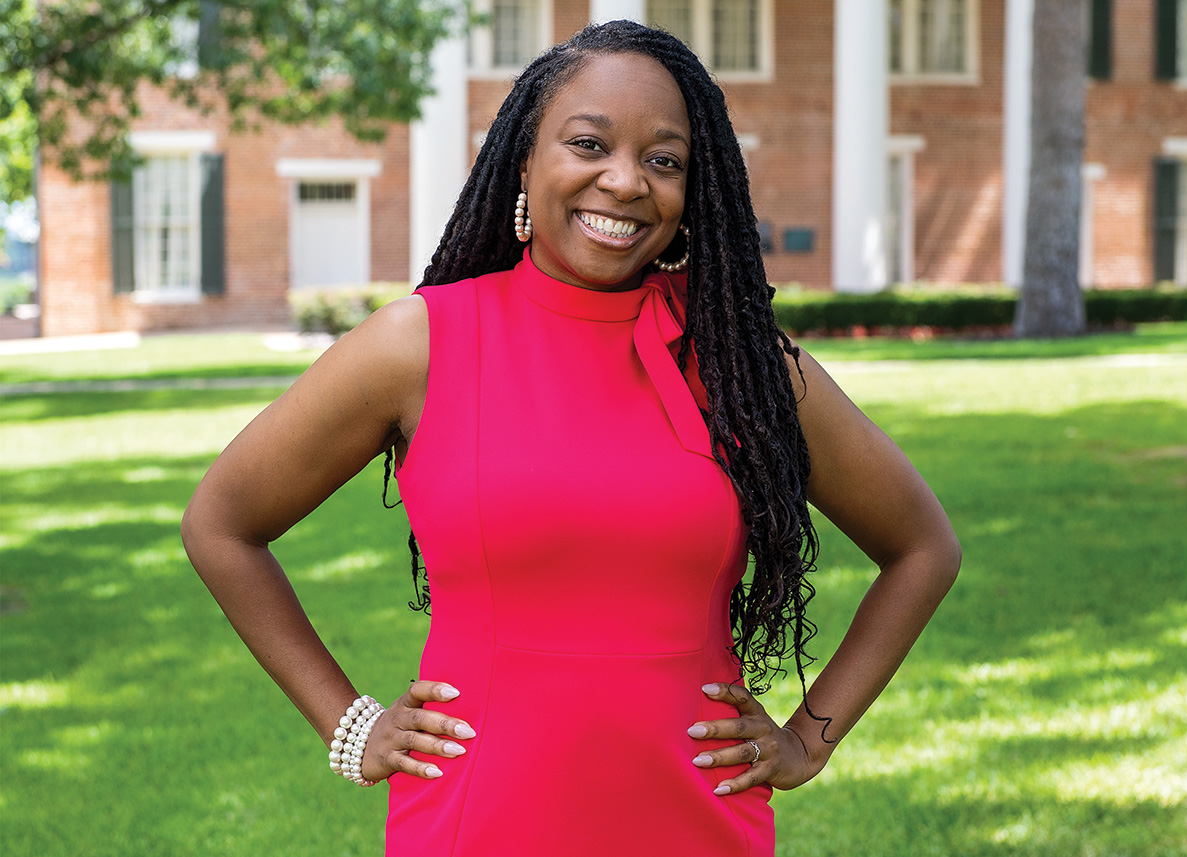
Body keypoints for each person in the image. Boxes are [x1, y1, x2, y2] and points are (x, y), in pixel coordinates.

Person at [182, 20, 960, 857]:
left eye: (664, 161)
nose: (625, 181)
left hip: (696, 822)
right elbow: (221, 522)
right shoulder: (422, 344)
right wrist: (351, 723)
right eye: (589, 143)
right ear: (524, 159)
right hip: (477, 820)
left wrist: (810, 737)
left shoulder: (739, 360)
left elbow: (922, 547)